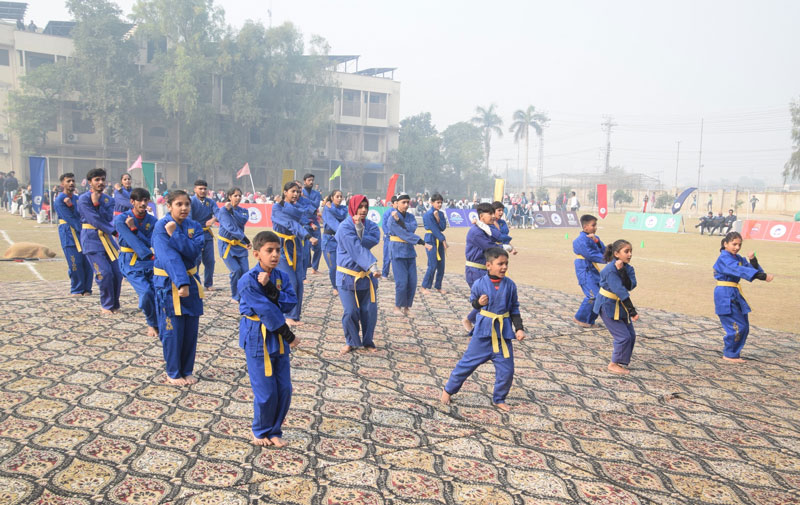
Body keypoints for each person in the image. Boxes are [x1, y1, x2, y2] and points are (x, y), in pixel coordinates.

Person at [441, 247, 526, 411]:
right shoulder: (479, 284)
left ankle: (499, 398)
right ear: (488, 265)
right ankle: (448, 390)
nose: (504, 267)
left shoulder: (510, 285)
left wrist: (519, 329)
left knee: (507, 370)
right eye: (500, 264)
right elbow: (473, 303)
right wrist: (479, 304)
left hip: (502, 336)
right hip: (482, 335)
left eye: (506, 264)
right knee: (466, 364)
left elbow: (514, 309)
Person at [237, 231, 299, 447]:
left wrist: (272, 288)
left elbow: (290, 303)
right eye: (269, 251)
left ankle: (275, 430)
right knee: (265, 390)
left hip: (278, 336)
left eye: (278, 250)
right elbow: (265, 310)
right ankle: (260, 430)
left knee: (284, 388)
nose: (274, 255)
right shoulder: (247, 280)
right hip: (258, 336)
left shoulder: (281, 276)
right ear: (256, 254)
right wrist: (288, 335)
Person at [152, 190, 204, 386]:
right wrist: (181, 282)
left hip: (191, 280)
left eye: (186, 204)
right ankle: (173, 372)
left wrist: (175, 235)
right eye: (179, 204)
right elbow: (167, 256)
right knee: (172, 329)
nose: (184, 208)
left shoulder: (194, 226)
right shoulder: (160, 226)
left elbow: (194, 252)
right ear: (169, 206)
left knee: (190, 328)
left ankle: (187, 369)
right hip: (169, 284)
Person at [713, 232, 773, 363]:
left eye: (739, 244)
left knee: (744, 325)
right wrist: (761, 276)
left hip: (734, 292)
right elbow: (738, 270)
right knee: (737, 326)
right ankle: (729, 354)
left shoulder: (738, 258)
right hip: (724, 293)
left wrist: (753, 260)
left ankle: (734, 352)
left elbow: (751, 268)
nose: (737, 247)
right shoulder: (724, 258)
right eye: (734, 244)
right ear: (725, 244)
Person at [336, 195, 381, 354]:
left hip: (366, 276)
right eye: (360, 206)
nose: (363, 210)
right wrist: (373, 265)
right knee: (350, 311)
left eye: (366, 207)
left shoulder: (372, 226)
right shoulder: (344, 227)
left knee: (369, 310)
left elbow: (374, 239)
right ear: (353, 207)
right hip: (347, 276)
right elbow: (356, 249)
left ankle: (368, 341)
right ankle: (351, 341)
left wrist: (360, 230)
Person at [77, 168, 122, 314]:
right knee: (104, 273)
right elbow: (93, 219)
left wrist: (99, 204)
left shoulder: (109, 199)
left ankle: (114, 303)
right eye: (97, 179)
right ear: (90, 182)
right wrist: (95, 204)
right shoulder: (83, 199)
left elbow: (108, 217)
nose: (100, 182)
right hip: (91, 240)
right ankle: (106, 304)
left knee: (117, 272)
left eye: (103, 179)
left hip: (107, 239)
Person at [114, 188, 158, 336]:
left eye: (146, 200)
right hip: (130, 262)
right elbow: (131, 241)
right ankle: (152, 323)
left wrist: (134, 229)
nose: (143, 203)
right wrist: (147, 253)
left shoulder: (152, 221)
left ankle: (161, 320)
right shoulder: (121, 219)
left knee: (159, 291)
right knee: (146, 292)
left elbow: (151, 241)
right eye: (140, 200)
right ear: (132, 201)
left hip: (149, 263)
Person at [272, 181, 316, 325]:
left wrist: (310, 226)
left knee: (299, 282)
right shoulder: (276, 208)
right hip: (281, 247)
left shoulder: (297, 207)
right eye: (292, 191)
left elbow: (303, 217)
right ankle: (287, 314)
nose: (296, 194)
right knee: (290, 281)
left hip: (296, 246)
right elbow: (291, 224)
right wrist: (308, 236)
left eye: (297, 191)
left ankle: (295, 315)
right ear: (285, 192)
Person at [593, 239, 638, 375]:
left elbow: (631, 285)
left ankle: (622, 362)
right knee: (623, 337)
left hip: (620, 304)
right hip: (607, 306)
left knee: (631, 335)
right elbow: (620, 290)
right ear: (617, 254)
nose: (629, 254)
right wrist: (632, 311)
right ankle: (613, 364)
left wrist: (623, 272)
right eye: (626, 251)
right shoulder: (610, 270)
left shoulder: (628, 268)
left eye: (631, 251)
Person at [461, 203, 505, 331]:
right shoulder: (476, 232)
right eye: (490, 214)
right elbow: (490, 247)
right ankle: (470, 320)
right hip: (475, 270)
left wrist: (490, 226)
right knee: (487, 298)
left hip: (484, 270)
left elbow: (499, 237)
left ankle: (477, 324)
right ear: (481, 216)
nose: (493, 216)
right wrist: (505, 248)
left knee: (492, 298)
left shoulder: (485, 229)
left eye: (493, 213)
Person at [388, 194, 432, 316]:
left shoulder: (410, 217)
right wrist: (422, 242)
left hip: (409, 252)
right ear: (397, 203)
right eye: (403, 202)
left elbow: (411, 229)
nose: (406, 205)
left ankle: (407, 307)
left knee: (412, 282)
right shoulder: (391, 218)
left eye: (408, 202)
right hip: (397, 252)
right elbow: (403, 233)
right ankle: (397, 306)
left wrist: (399, 220)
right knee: (401, 282)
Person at [53, 173, 93, 296]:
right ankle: (77, 288)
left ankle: (87, 288)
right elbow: (70, 218)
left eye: (73, 181)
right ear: (62, 184)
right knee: (75, 262)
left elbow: (82, 214)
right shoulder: (59, 200)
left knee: (87, 261)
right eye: (68, 181)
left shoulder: (77, 198)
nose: (71, 183)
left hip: (82, 232)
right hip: (68, 234)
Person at [217, 187, 251, 303]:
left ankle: (245, 294)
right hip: (226, 245)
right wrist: (245, 239)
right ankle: (235, 296)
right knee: (236, 270)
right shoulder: (222, 211)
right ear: (229, 197)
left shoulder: (243, 211)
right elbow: (230, 227)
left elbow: (242, 221)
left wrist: (232, 211)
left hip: (240, 245)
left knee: (245, 271)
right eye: (235, 195)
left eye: (239, 196)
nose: (238, 198)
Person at [573, 214, 606, 328]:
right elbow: (591, 255)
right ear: (585, 227)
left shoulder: (593, 238)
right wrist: (608, 259)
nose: (595, 227)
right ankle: (580, 318)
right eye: (593, 225)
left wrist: (597, 241)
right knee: (593, 295)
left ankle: (589, 321)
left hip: (593, 270)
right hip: (584, 269)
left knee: (600, 295)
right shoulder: (580, 240)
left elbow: (604, 250)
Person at [189, 179, 217, 291]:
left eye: (205, 189)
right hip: (195, 235)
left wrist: (214, 218)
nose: (203, 191)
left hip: (207, 235)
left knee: (210, 261)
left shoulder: (211, 202)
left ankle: (208, 283)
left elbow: (219, 212)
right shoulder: (191, 202)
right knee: (196, 260)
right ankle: (195, 282)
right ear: (195, 189)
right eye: (200, 188)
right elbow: (189, 219)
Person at [421, 193, 448, 294]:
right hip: (431, 239)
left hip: (439, 240)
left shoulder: (441, 214)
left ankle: (438, 286)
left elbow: (442, 227)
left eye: (441, 202)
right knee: (432, 264)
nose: (439, 204)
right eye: (437, 202)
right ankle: (424, 286)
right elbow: (433, 229)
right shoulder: (428, 214)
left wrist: (438, 218)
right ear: (432, 203)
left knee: (441, 265)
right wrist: (443, 239)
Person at [322, 190, 347, 295]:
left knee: (343, 265)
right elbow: (334, 224)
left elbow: (343, 215)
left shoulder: (343, 209)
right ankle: (335, 287)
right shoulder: (326, 210)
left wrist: (331, 208)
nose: (340, 198)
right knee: (333, 267)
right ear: (332, 198)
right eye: (337, 196)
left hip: (341, 241)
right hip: (329, 241)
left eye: (341, 196)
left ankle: (342, 284)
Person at [301, 174, 323, 275]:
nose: (311, 182)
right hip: (304, 221)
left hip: (315, 221)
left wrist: (304, 198)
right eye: (309, 180)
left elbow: (315, 205)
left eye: (312, 180)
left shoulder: (317, 194)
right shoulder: (299, 193)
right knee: (306, 247)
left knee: (319, 246)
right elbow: (302, 206)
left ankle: (315, 267)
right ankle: (305, 270)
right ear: (304, 181)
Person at [381, 196, 397, 278]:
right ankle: (384, 274)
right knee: (387, 257)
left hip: (398, 239)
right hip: (389, 238)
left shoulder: (400, 212)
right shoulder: (388, 212)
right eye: (396, 203)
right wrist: (388, 233)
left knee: (396, 257)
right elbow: (383, 224)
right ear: (393, 203)